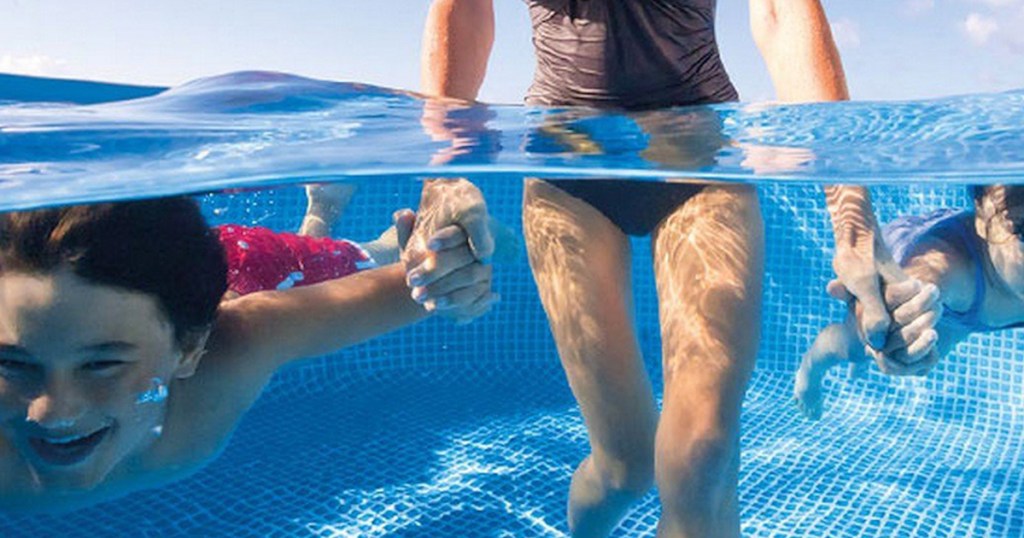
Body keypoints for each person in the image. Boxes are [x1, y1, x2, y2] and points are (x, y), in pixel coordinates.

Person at [420, 1, 925, 536]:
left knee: (701, 455)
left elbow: (780, 9)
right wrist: (443, 172)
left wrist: (851, 216)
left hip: (699, 155)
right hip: (565, 160)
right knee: (626, 468)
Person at [0, 191, 494, 513]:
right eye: (13, 363)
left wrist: (449, 254)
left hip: (240, 264)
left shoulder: (240, 343)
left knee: (352, 259)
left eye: (101, 364)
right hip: (167, 281)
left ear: (189, 352)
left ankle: (329, 214)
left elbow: (421, 279)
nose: (51, 414)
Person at [796, 185, 1024, 419]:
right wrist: (894, 327)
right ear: (983, 214)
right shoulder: (949, 268)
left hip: (974, 298)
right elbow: (919, 282)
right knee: (862, 345)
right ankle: (810, 369)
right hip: (903, 257)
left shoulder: (1011, 255)